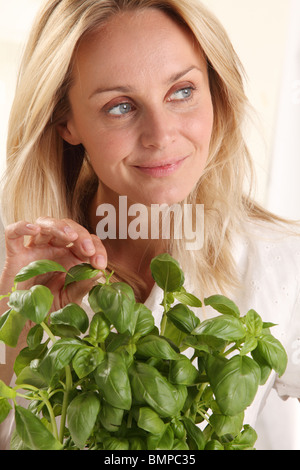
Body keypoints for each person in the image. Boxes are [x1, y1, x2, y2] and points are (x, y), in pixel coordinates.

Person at [0, 0, 299, 450]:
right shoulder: (13, 264)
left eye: (182, 91)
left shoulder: (282, 263)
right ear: (66, 120)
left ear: (215, 92)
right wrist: (15, 327)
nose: (161, 135)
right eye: (120, 106)